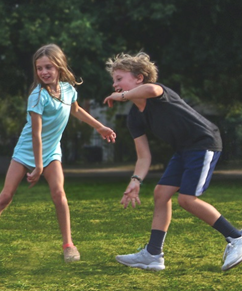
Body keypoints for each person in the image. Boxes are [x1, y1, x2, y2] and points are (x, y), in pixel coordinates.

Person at [0, 44, 116, 262]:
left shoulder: (68, 90)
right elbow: (35, 135)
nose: (44, 72)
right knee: (5, 196)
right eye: (39, 68)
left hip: (51, 152)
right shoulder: (37, 96)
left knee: (59, 194)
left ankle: (68, 245)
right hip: (26, 150)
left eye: (48, 67)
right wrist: (37, 167)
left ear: (59, 67)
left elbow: (75, 110)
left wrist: (99, 126)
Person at [103, 52, 242, 271]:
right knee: (161, 194)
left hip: (203, 143)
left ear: (139, 77)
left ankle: (237, 238)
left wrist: (120, 96)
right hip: (184, 150)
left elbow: (151, 89)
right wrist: (136, 181)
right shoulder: (134, 117)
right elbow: (144, 156)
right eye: (114, 80)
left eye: (119, 78)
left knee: (186, 199)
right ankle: (153, 254)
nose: (115, 84)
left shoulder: (158, 92)